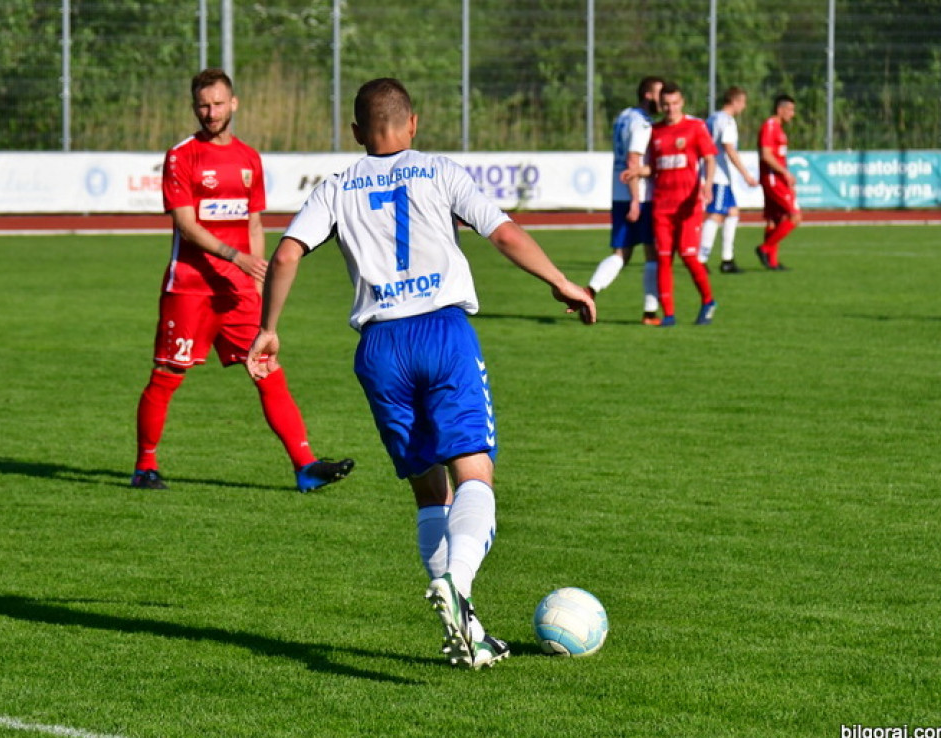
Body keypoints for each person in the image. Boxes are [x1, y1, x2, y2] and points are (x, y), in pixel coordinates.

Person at [246, 78, 596, 668]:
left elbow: (284, 254)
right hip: (442, 333)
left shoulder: (334, 187)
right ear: (413, 124)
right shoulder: (439, 170)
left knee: (429, 491)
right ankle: (458, 583)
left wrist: (268, 327)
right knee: (474, 472)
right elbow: (502, 233)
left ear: (356, 132)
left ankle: (472, 629)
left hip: (380, 346)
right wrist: (562, 282)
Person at [131, 68, 354, 492]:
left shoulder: (249, 158)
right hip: (190, 288)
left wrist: (256, 285)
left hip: (237, 291)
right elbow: (185, 224)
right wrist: (235, 256)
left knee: (267, 368)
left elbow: (254, 224)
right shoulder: (182, 156)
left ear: (234, 104)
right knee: (167, 374)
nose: (210, 112)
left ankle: (305, 466)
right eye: (203, 105)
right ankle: (145, 467)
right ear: (193, 107)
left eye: (217, 104)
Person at [626, 81, 718, 326]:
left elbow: (709, 159)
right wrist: (636, 172)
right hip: (662, 206)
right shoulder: (655, 131)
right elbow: (655, 167)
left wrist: (707, 185)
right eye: (665, 104)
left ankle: (708, 301)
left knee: (689, 256)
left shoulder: (696, 127)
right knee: (664, 258)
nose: (670, 109)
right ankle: (668, 314)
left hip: (687, 206)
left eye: (675, 103)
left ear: (682, 102)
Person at [587, 76, 663, 324]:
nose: (663, 101)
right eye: (660, 95)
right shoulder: (642, 123)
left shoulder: (624, 116)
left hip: (619, 193)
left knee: (622, 253)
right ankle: (650, 313)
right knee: (652, 253)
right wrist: (636, 199)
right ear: (649, 96)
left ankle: (590, 291)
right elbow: (633, 161)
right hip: (638, 195)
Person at [699, 86, 759, 273]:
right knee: (716, 215)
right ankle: (701, 259)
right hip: (717, 174)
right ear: (735, 101)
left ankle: (727, 259)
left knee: (732, 212)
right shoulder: (727, 121)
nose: (744, 107)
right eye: (743, 102)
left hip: (715, 173)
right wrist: (745, 174)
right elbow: (729, 148)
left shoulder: (713, 117)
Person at [755, 94, 801, 270]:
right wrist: (785, 173)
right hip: (773, 178)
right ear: (780, 109)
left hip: (778, 177)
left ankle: (772, 262)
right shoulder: (770, 126)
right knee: (795, 217)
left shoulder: (778, 128)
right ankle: (764, 248)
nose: (792, 113)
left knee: (775, 219)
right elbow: (766, 155)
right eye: (790, 109)